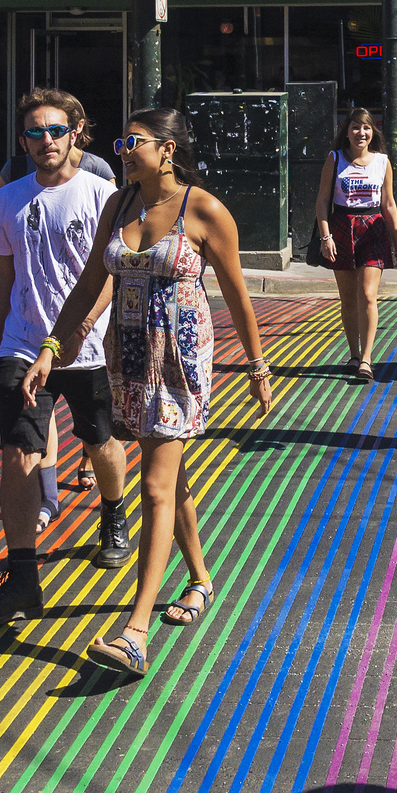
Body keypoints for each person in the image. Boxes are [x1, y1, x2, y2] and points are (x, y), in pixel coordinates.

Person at [21, 107, 275, 676]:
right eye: (121, 139)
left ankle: (135, 633)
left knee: (155, 487)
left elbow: (237, 295)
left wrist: (258, 367)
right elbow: (91, 284)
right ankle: (202, 581)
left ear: (168, 150)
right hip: (127, 360)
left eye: (133, 141)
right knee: (171, 480)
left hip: (180, 364)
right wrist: (51, 348)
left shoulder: (203, 209)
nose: (123, 150)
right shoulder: (120, 203)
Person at [0, 89, 134, 629]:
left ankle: (112, 516)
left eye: (55, 130)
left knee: (99, 440)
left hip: (85, 346)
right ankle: (23, 580)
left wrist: (84, 331)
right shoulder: (8, 199)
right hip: (21, 344)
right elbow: (1, 281)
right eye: (34, 133)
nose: (46, 141)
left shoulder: (103, 194)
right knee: (17, 455)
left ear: (75, 134)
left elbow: (113, 272)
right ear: (23, 142)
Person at [312, 107, 397, 381]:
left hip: (372, 228)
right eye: (355, 128)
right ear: (346, 132)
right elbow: (322, 200)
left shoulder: (383, 161)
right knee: (348, 298)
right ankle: (352, 354)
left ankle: (366, 359)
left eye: (366, 128)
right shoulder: (334, 159)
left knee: (368, 295)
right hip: (341, 227)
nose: (361, 133)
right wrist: (325, 237)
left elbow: (389, 203)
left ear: (373, 132)